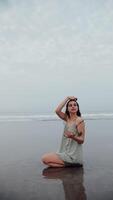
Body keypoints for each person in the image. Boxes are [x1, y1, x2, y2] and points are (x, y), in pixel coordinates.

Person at [41, 96, 85, 167]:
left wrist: (73, 137)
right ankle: (70, 165)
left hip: (73, 155)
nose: (73, 106)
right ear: (67, 109)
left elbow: (82, 140)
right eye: (70, 105)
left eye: (75, 105)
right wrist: (67, 98)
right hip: (65, 152)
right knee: (47, 163)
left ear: (77, 107)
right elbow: (57, 111)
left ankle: (73, 162)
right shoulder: (67, 118)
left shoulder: (79, 120)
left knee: (44, 158)